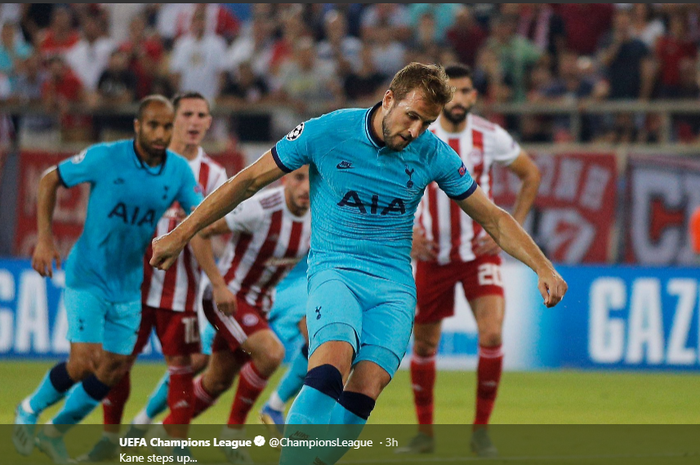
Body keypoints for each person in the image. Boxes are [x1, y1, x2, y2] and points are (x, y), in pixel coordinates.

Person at [149, 62, 567, 465]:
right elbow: (247, 181)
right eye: (412, 117)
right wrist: (180, 233)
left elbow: (492, 216)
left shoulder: (432, 152)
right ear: (389, 100)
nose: (416, 130)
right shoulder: (326, 132)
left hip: (394, 288)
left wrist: (542, 266)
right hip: (336, 273)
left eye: (427, 123)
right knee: (330, 368)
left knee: (365, 391)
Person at [13, 95, 203, 465]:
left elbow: (201, 212)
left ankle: (56, 432)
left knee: (113, 368)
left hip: (129, 284)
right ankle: (28, 409)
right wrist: (46, 238)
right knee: (84, 361)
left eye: (167, 126)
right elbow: (51, 179)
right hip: (88, 276)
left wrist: (198, 226)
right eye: (153, 125)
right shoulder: (106, 156)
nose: (161, 133)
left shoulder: (178, 171)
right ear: (137, 126)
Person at [78, 92, 234, 462]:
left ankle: (175, 445)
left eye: (202, 115)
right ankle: (109, 441)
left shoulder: (215, 175)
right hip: (132, 282)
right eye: (187, 114)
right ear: (171, 119)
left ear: (209, 122)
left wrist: (214, 275)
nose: (194, 121)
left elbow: (215, 229)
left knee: (183, 364)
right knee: (116, 361)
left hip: (180, 290)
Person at [397, 63, 541, 458]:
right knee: (424, 346)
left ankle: (480, 432)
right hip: (432, 256)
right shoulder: (423, 133)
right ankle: (425, 435)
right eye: (453, 93)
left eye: (465, 92)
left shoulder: (490, 136)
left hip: (478, 253)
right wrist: (406, 232)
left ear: (473, 97)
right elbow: (397, 178)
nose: (458, 100)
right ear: (443, 97)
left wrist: (513, 228)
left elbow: (530, 174)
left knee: (492, 334)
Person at [179, 165, 311, 464]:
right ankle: (233, 435)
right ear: (287, 179)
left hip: (259, 304)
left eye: (312, 180)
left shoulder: (318, 217)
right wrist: (217, 283)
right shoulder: (260, 209)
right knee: (272, 353)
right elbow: (199, 228)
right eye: (299, 178)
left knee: (217, 381)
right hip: (227, 299)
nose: (305, 188)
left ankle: (166, 432)